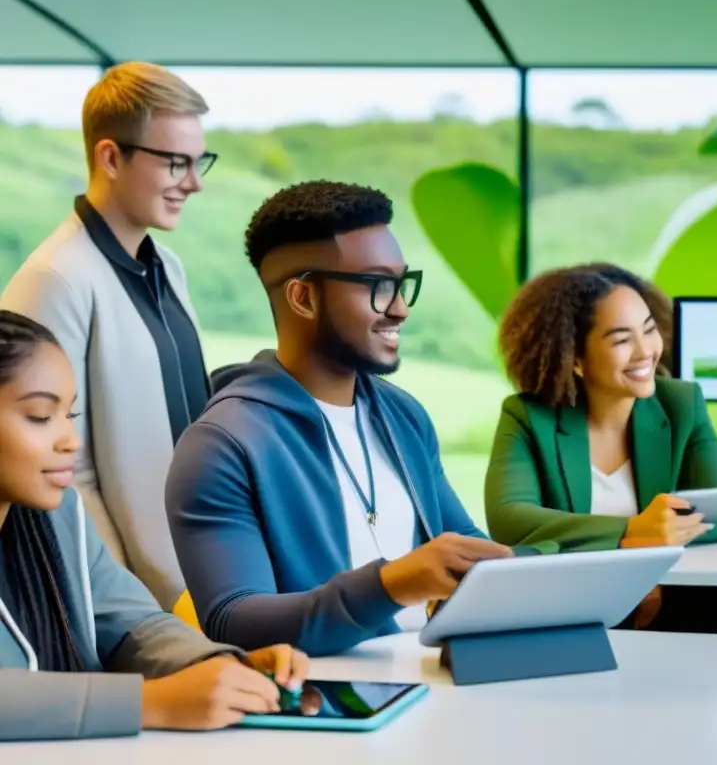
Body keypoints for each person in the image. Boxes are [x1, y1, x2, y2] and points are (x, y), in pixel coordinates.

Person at [165, 180, 517, 657]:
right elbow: (233, 619)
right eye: (377, 286)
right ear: (303, 298)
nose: (400, 308)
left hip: (437, 683)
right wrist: (390, 584)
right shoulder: (221, 445)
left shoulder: (403, 416)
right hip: (334, 707)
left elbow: (470, 551)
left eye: (401, 283)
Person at [0, 310, 309, 741]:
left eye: (68, 416)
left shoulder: (60, 514)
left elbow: (135, 623)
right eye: (39, 416)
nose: (70, 440)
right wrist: (150, 702)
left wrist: (215, 665)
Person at [0, 62, 216, 613]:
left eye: (199, 163)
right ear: (110, 157)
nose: (193, 182)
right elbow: (61, 473)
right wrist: (134, 607)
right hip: (137, 601)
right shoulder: (55, 279)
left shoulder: (167, 265)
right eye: (175, 163)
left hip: (201, 579)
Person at [484, 263, 717, 668]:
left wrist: (649, 567)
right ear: (575, 358)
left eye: (649, 329)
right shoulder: (527, 415)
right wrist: (629, 534)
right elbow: (510, 519)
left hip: (674, 599)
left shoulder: (682, 403)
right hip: (574, 600)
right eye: (622, 340)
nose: (646, 351)